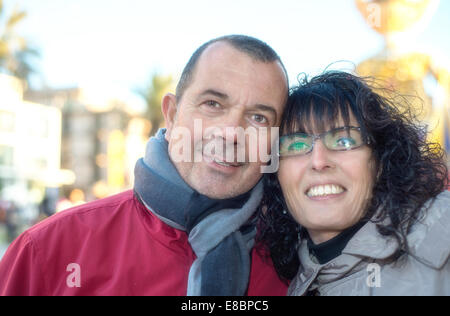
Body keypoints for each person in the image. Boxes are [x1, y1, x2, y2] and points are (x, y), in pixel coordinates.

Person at [0, 35, 289, 296]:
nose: (231, 132)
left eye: (259, 118)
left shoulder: (295, 265)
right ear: (172, 114)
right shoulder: (48, 250)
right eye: (213, 104)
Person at [258, 71, 450, 296]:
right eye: (296, 145)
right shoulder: (291, 282)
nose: (319, 162)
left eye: (344, 140)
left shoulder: (441, 232)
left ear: (379, 162)